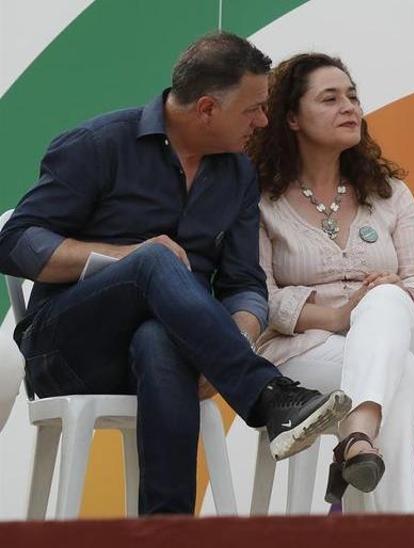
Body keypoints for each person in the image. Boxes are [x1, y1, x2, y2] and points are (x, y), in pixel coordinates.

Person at [0, 32, 350, 515]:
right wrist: (125, 256)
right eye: (253, 109)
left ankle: (168, 531)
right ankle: (268, 396)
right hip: (68, 351)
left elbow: (244, 284)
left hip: (175, 352)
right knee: (154, 258)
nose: (263, 121)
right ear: (206, 109)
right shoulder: (99, 145)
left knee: (159, 337)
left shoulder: (238, 174)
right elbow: (15, 242)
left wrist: (230, 340)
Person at [247, 52, 414, 512]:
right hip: (303, 351)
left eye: (352, 96)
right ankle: (370, 463)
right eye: (330, 99)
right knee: (400, 375)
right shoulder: (262, 200)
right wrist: (337, 315)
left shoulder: (389, 193)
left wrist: (394, 296)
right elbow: (260, 296)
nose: (349, 107)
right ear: (292, 117)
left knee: (388, 298)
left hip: (399, 334)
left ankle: (355, 433)